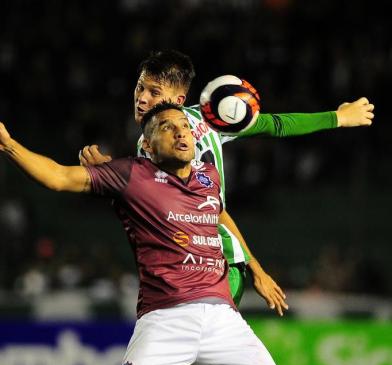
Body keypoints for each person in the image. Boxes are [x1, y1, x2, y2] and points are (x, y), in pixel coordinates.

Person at [0, 102, 289, 365]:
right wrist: (9, 145)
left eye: (185, 127)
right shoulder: (131, 175)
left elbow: (220, 215)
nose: (181, 133)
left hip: (223, 318)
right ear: (148, 146)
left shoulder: (209, 176)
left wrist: (254, 266)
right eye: (168, 127)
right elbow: (59, 177)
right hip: (167, 319)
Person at [80, 49, 374, 315]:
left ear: (177, 100)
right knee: (178, 362)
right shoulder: (209, 117)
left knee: (172, 358)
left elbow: (207, 209)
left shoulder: (161, 146)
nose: (142, 98)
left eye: (154, 92)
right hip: (199, 268)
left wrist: (111, 178)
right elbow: (275, 124)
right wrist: (336, 117)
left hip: (211, 267)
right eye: (141, 87)